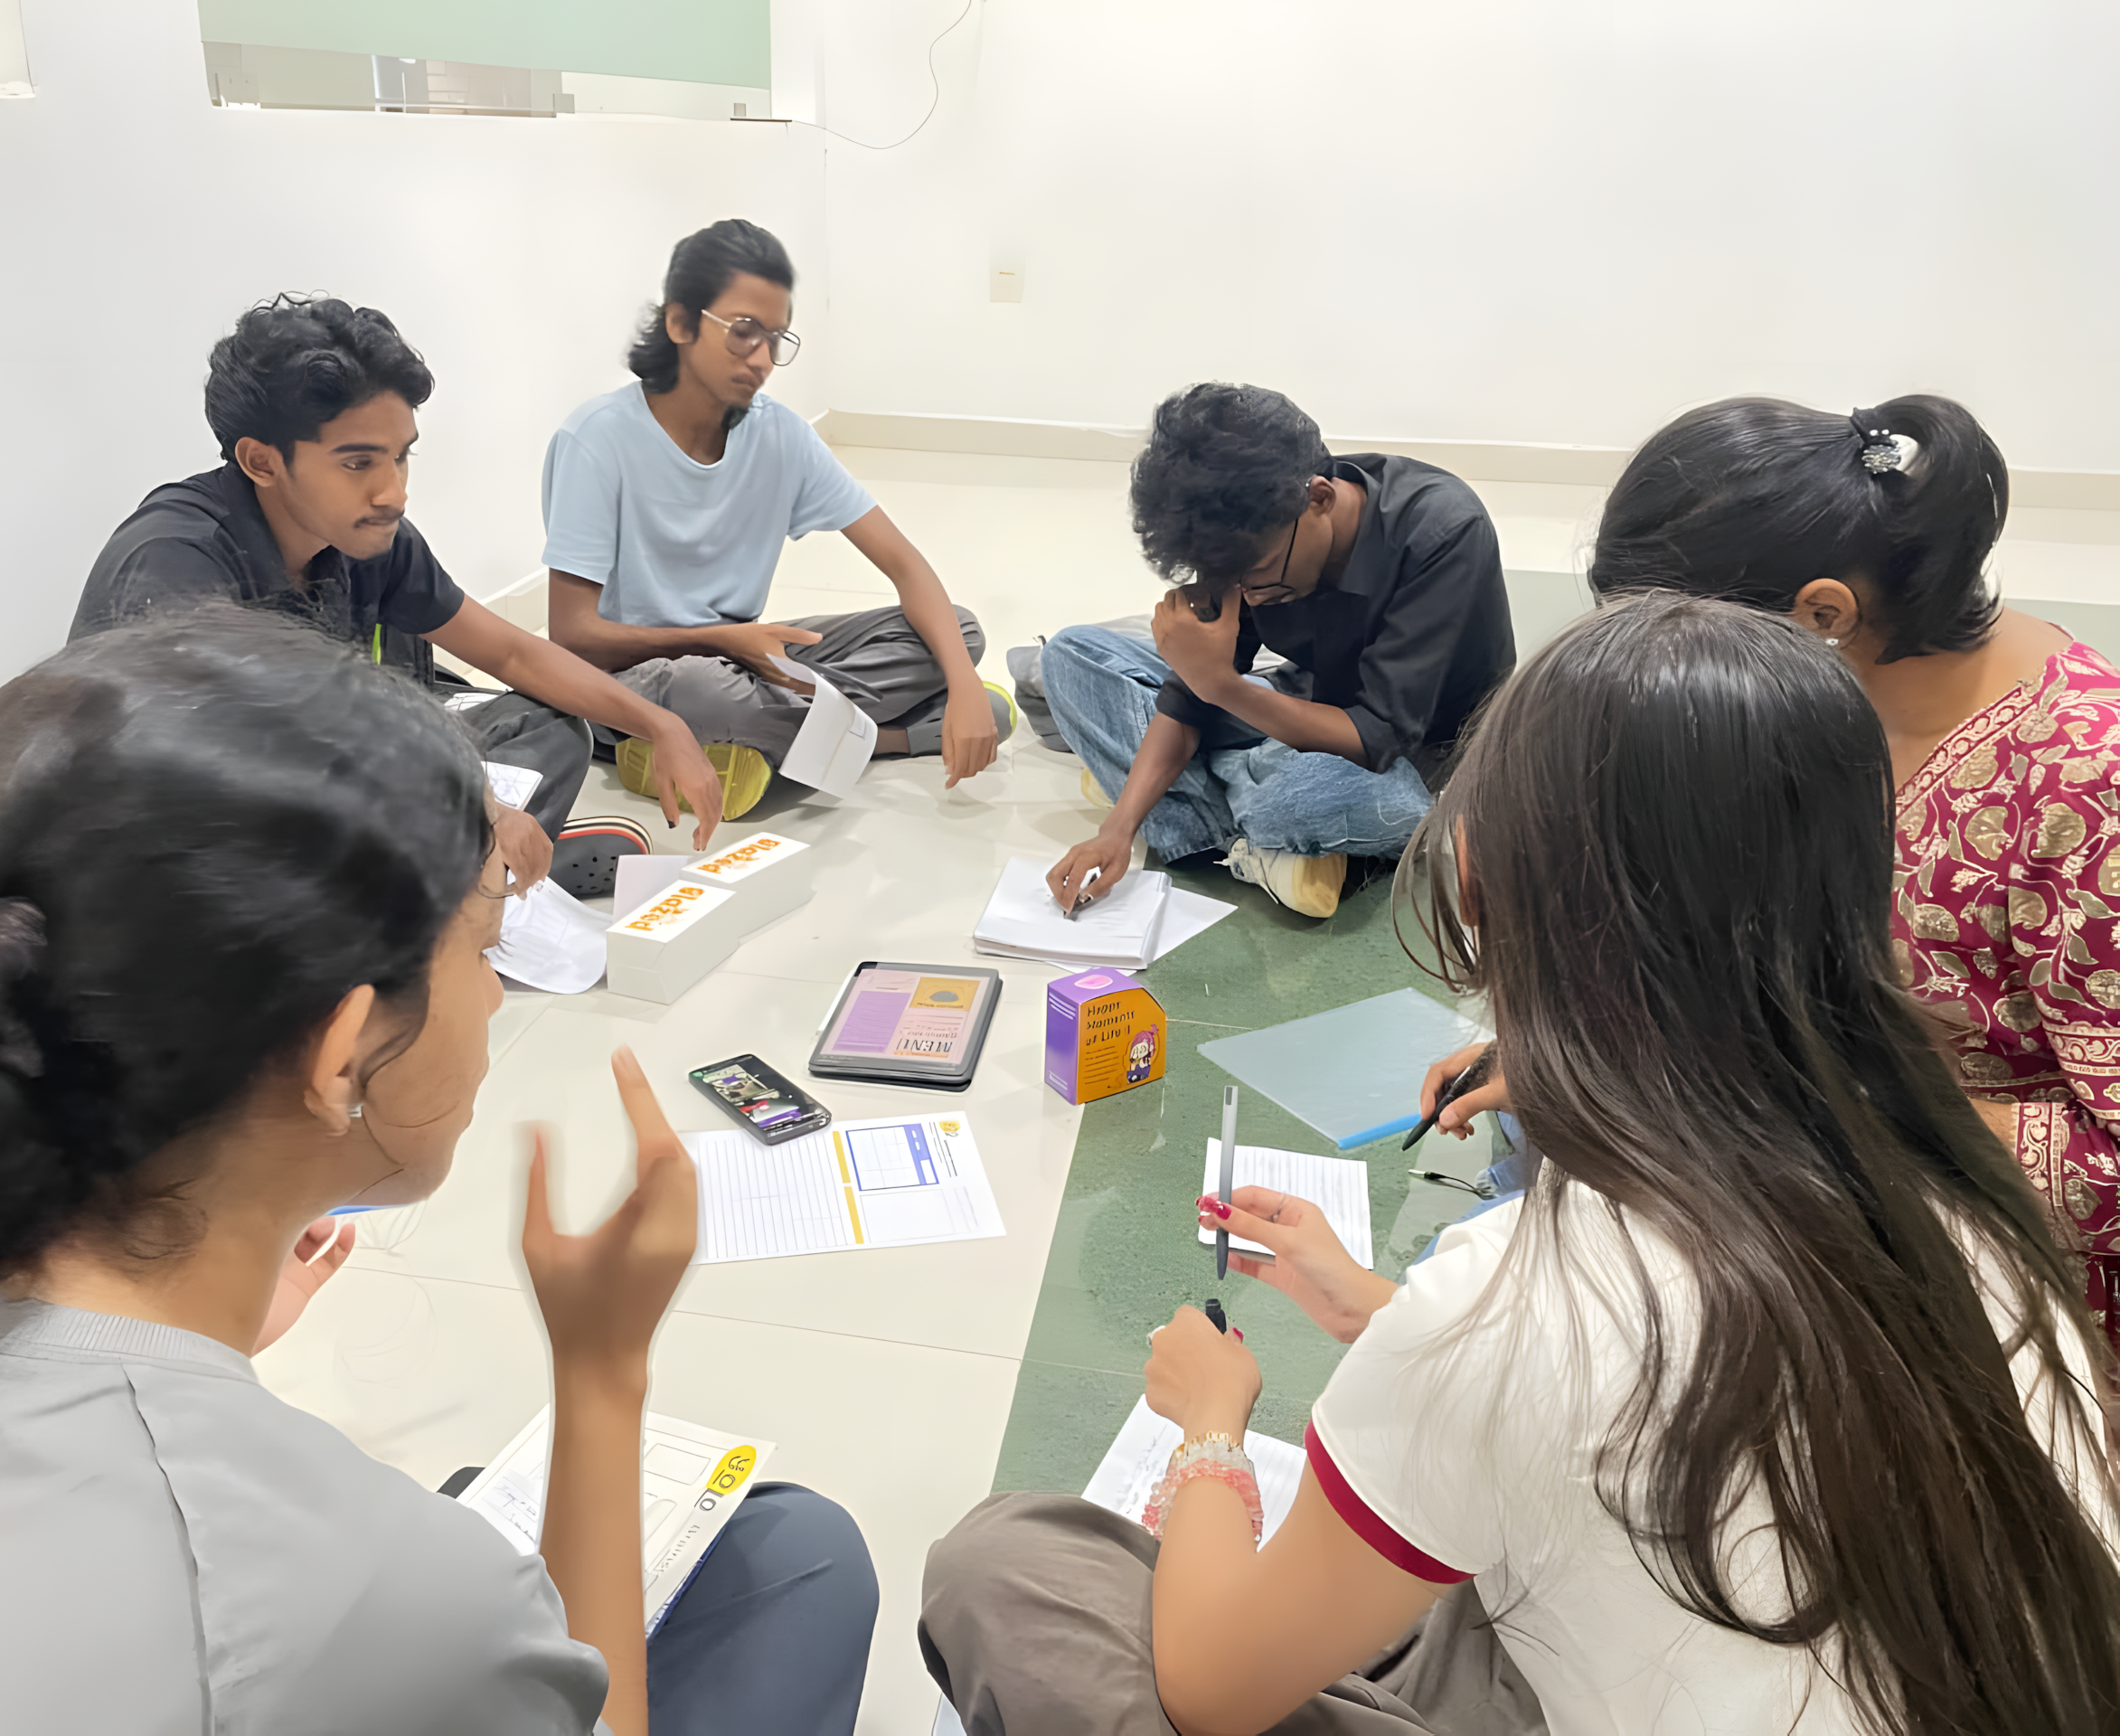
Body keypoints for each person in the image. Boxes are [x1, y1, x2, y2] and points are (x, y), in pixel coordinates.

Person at [921, 596, 2120, 1736]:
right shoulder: (1966, 1200)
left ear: (1490, 886)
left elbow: (1209, 1687)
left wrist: (1212, 1432)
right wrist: (1380, 1311)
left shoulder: (1514, 1298)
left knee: (1012, 1566)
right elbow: (1671, 1389)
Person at [0, 612, 875, 1735]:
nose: (498, 993)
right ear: (344, 1049)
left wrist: (195, 1343)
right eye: (482, 942)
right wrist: (602, 1369)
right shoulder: (381, 1592)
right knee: (805, 1562)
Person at [1579, 393, 2120, 1359]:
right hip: (1834, 1178)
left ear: (1822, 613)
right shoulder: (1813, 713)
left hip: (2016, 1304)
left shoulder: (2084, 780)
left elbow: (2109, 1169)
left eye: (1683, 653)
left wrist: (1805, 1104)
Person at [71, 294, 726, 895]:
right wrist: (479, 808)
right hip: (199, 814)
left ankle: (475, 877)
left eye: (401, 456)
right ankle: (473, 880)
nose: (393, 492)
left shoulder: (372, 537)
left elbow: (513, 654)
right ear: (262, 462)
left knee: (549, 728)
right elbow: (226, 773)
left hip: (339, 761)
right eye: (358, 463)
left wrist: (658, 723)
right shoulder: (177, 563)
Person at [541, 219, 1010, 821]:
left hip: (744, 659)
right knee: (702, 690)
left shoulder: (781, 435)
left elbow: (904, 564)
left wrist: (966, 689)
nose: (761, 359)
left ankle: (758, 743)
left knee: (959, 632)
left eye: (776, 339)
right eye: (743, 333)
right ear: (680, 323)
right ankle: (889, 738)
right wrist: (717, 640)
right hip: (634, 680)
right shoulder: (597, 441)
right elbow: (573, 637)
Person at [1043, 384, 1513, 921]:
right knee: (1069, 657)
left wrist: (1220, 686)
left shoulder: (1443, 531)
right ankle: (1252, 821)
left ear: (1318, 498)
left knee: (1312, 798)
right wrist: (1117, 830)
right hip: (1301, 701)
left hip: (1423, 749)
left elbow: (1375, 736)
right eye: (1225, 576)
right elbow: (1188, 698)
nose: (1241, 592)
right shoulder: (1235, 539)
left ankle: (1208, 799)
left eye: (1257, 572)